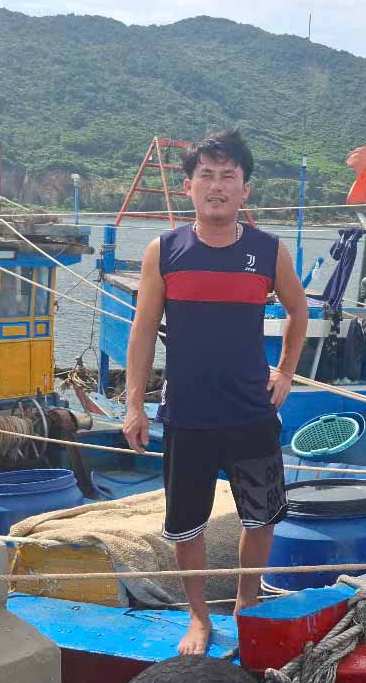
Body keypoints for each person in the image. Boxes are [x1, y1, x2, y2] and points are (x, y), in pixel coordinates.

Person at [123, 128, 308, 655]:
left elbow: (298, 311)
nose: (217, 186)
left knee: (261, 517)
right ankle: (199, 618)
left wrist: (285, 372)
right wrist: (134, 405)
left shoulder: (268, 251)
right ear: (189, 187)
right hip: (188, 414)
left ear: (245, 189)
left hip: (252, 410)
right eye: (206, 175)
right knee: (186, 525)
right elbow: (143, 330)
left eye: (229, 176)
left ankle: (247, 602)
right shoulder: (166, 251)